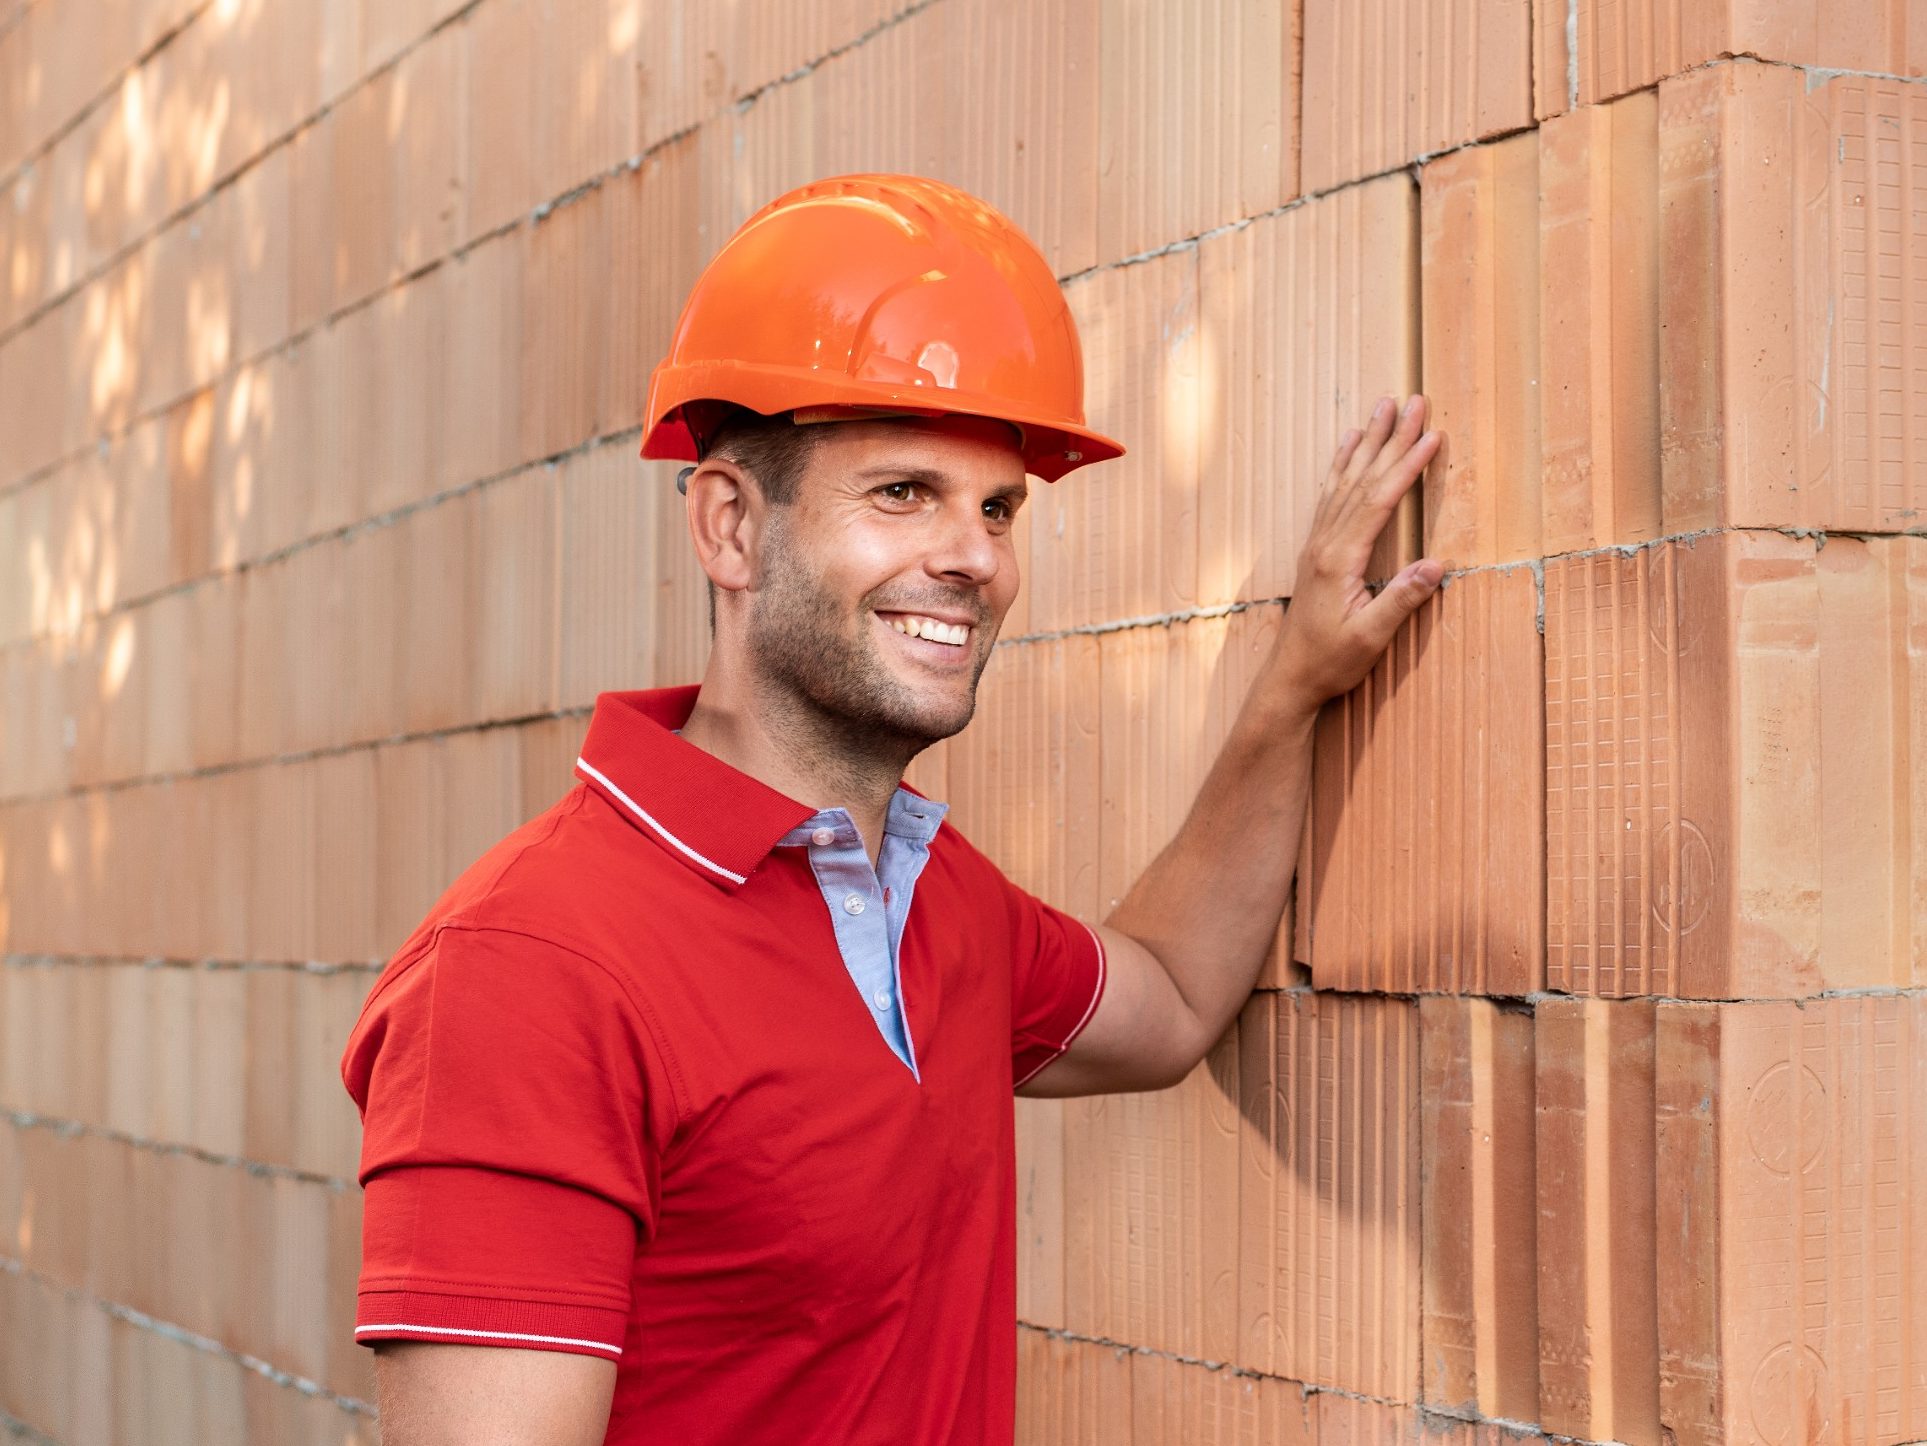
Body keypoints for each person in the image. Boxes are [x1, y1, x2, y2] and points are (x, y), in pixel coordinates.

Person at [341, 174, 1444, 1445]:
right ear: (729, 526)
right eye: (902, 492)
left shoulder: (932, 897)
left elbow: (1175, 998)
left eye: (997, 508)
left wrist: (1294, 686)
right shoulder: (528, 970)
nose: (974, 556)